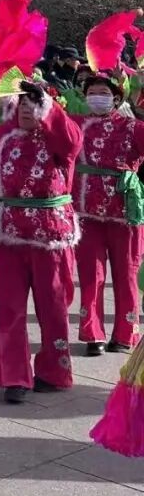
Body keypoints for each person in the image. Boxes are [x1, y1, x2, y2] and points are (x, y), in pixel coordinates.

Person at [0, 82, 83, 404]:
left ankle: (54, 371)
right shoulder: (2, 136)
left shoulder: (58, 137)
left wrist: (48, 104)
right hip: (9, 235)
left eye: (34, 102)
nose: (27, 107)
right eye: (22, 101)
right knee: (8, 307)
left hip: (51, 236)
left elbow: (72, 140)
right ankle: (14, 376)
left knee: (53, 306)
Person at [70, 73, 144, 356]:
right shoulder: (76, 125)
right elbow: (49, 129)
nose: (96, 97)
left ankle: (126, 333)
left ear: (116, 98)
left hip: (125, 212)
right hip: (86, 213)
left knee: (127, 275)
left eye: (103, 92)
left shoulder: (133, 127)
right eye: (92, 92)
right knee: (91, 276)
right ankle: (93, 334)